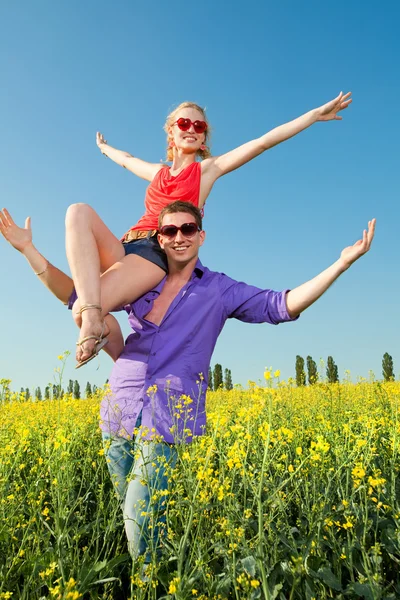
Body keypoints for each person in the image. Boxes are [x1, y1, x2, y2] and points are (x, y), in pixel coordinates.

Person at [0, 202, 376, 568]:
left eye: (188, 229)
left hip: (169, 416)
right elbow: (77, 297)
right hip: (119, 410)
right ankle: (159, 577)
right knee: (141, 522)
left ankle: (148, 585)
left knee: (137, 514)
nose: (179, 237)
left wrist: (341, 264)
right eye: (170, 230)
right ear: (159, 239)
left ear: (201, 236)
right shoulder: (143, 281)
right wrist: (28, 250)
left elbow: (283, 305)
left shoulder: (218, 289)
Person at [66, 93, 352, 367]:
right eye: (183, 123)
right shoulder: (158, 173)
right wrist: (105, 149)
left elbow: (262, 142)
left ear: (203, 139)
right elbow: (127, 159)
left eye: (199, 126)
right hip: (127, 244)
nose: (191, 129)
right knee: (78, 213)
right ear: (171, 133)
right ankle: (100, 328)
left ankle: (110, 346)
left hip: (156, 250)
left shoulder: (206, 171)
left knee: (84, 310)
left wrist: (313, 116)